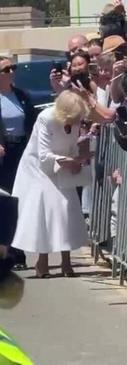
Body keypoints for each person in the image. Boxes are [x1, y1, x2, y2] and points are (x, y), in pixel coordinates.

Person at [11, 91, 91, 278]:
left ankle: (66, 261)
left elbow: (72, 145)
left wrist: (77, 159)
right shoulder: (45, 118)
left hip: (63, 164)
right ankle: (42, 260)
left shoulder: (76, 119)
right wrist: (66, 160)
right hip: (39, 168)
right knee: (45, 210)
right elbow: (44, 154)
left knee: (67, 208)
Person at [0, 56, 36, 271]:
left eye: (13, 68)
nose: (11, 71)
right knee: (4, 204)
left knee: (18, 201)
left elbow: (32, 122)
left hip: (21, 151)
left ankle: (17, 252)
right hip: (3, 153)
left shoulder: (21, 95)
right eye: (6, 69)